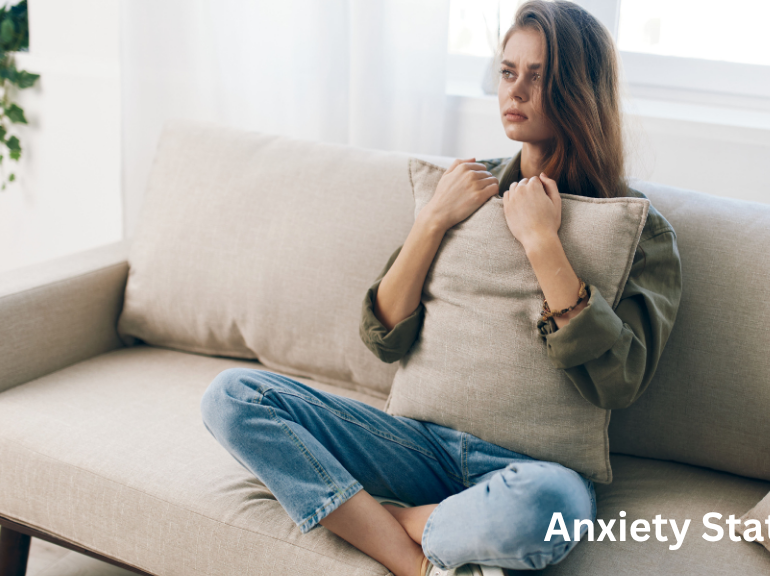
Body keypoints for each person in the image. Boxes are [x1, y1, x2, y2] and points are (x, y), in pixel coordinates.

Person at [199, 2, 682, 576]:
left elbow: (619, 381)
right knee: (232, 397)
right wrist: (431, 221)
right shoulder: (463, 187)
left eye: (538, 76)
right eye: (508, 72)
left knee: (555, 508)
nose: (515, 91)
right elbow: (385, 337)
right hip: (412, 446)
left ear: (580, 89)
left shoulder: (640, 232)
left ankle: (383, 520)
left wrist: (542, 244)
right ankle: (416, 560)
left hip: (528, 473)